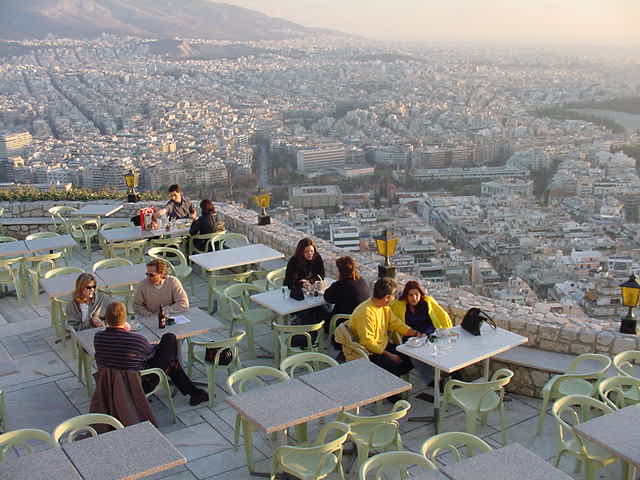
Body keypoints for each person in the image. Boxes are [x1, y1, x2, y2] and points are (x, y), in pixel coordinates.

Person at [94, 301, 208, 405]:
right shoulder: (136, 340)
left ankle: (195, 393)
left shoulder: (98, 338)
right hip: (140, 385)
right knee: (169, 340)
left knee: (170, 360)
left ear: (107, 319)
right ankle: (195, 393)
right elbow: (150, 353)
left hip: (111, 385)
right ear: (125, 319)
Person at [347, 277, 421, 377]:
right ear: (387, 297)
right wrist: (390, 356)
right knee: (398, 365)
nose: (394, 298)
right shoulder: (366, 313)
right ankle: (391, 388)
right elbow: (367, 343)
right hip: (368, 353)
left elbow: (397, 324)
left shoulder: (384, 307)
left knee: (413, 358)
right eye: (393, 295)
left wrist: (415, 333)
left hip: (382, 346)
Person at [391, 280, 453, 392]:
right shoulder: (400, 306)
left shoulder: (426, 304)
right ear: (406, 295)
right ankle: (433, 381)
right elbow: (396, 323)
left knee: (440, 350)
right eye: (410, 295)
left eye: (416, 294)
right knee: (415, 356)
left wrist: (426, 333)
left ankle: (453, 375)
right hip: (410, 337)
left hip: (428, 335)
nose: (414, 298)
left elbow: (436, 320)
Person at [323, 256, 369, 338]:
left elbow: (327, 297)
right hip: (360, 322)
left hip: (343, 322)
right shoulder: (362, 281)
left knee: (322, 311)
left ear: (340, 271)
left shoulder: (340, 285)